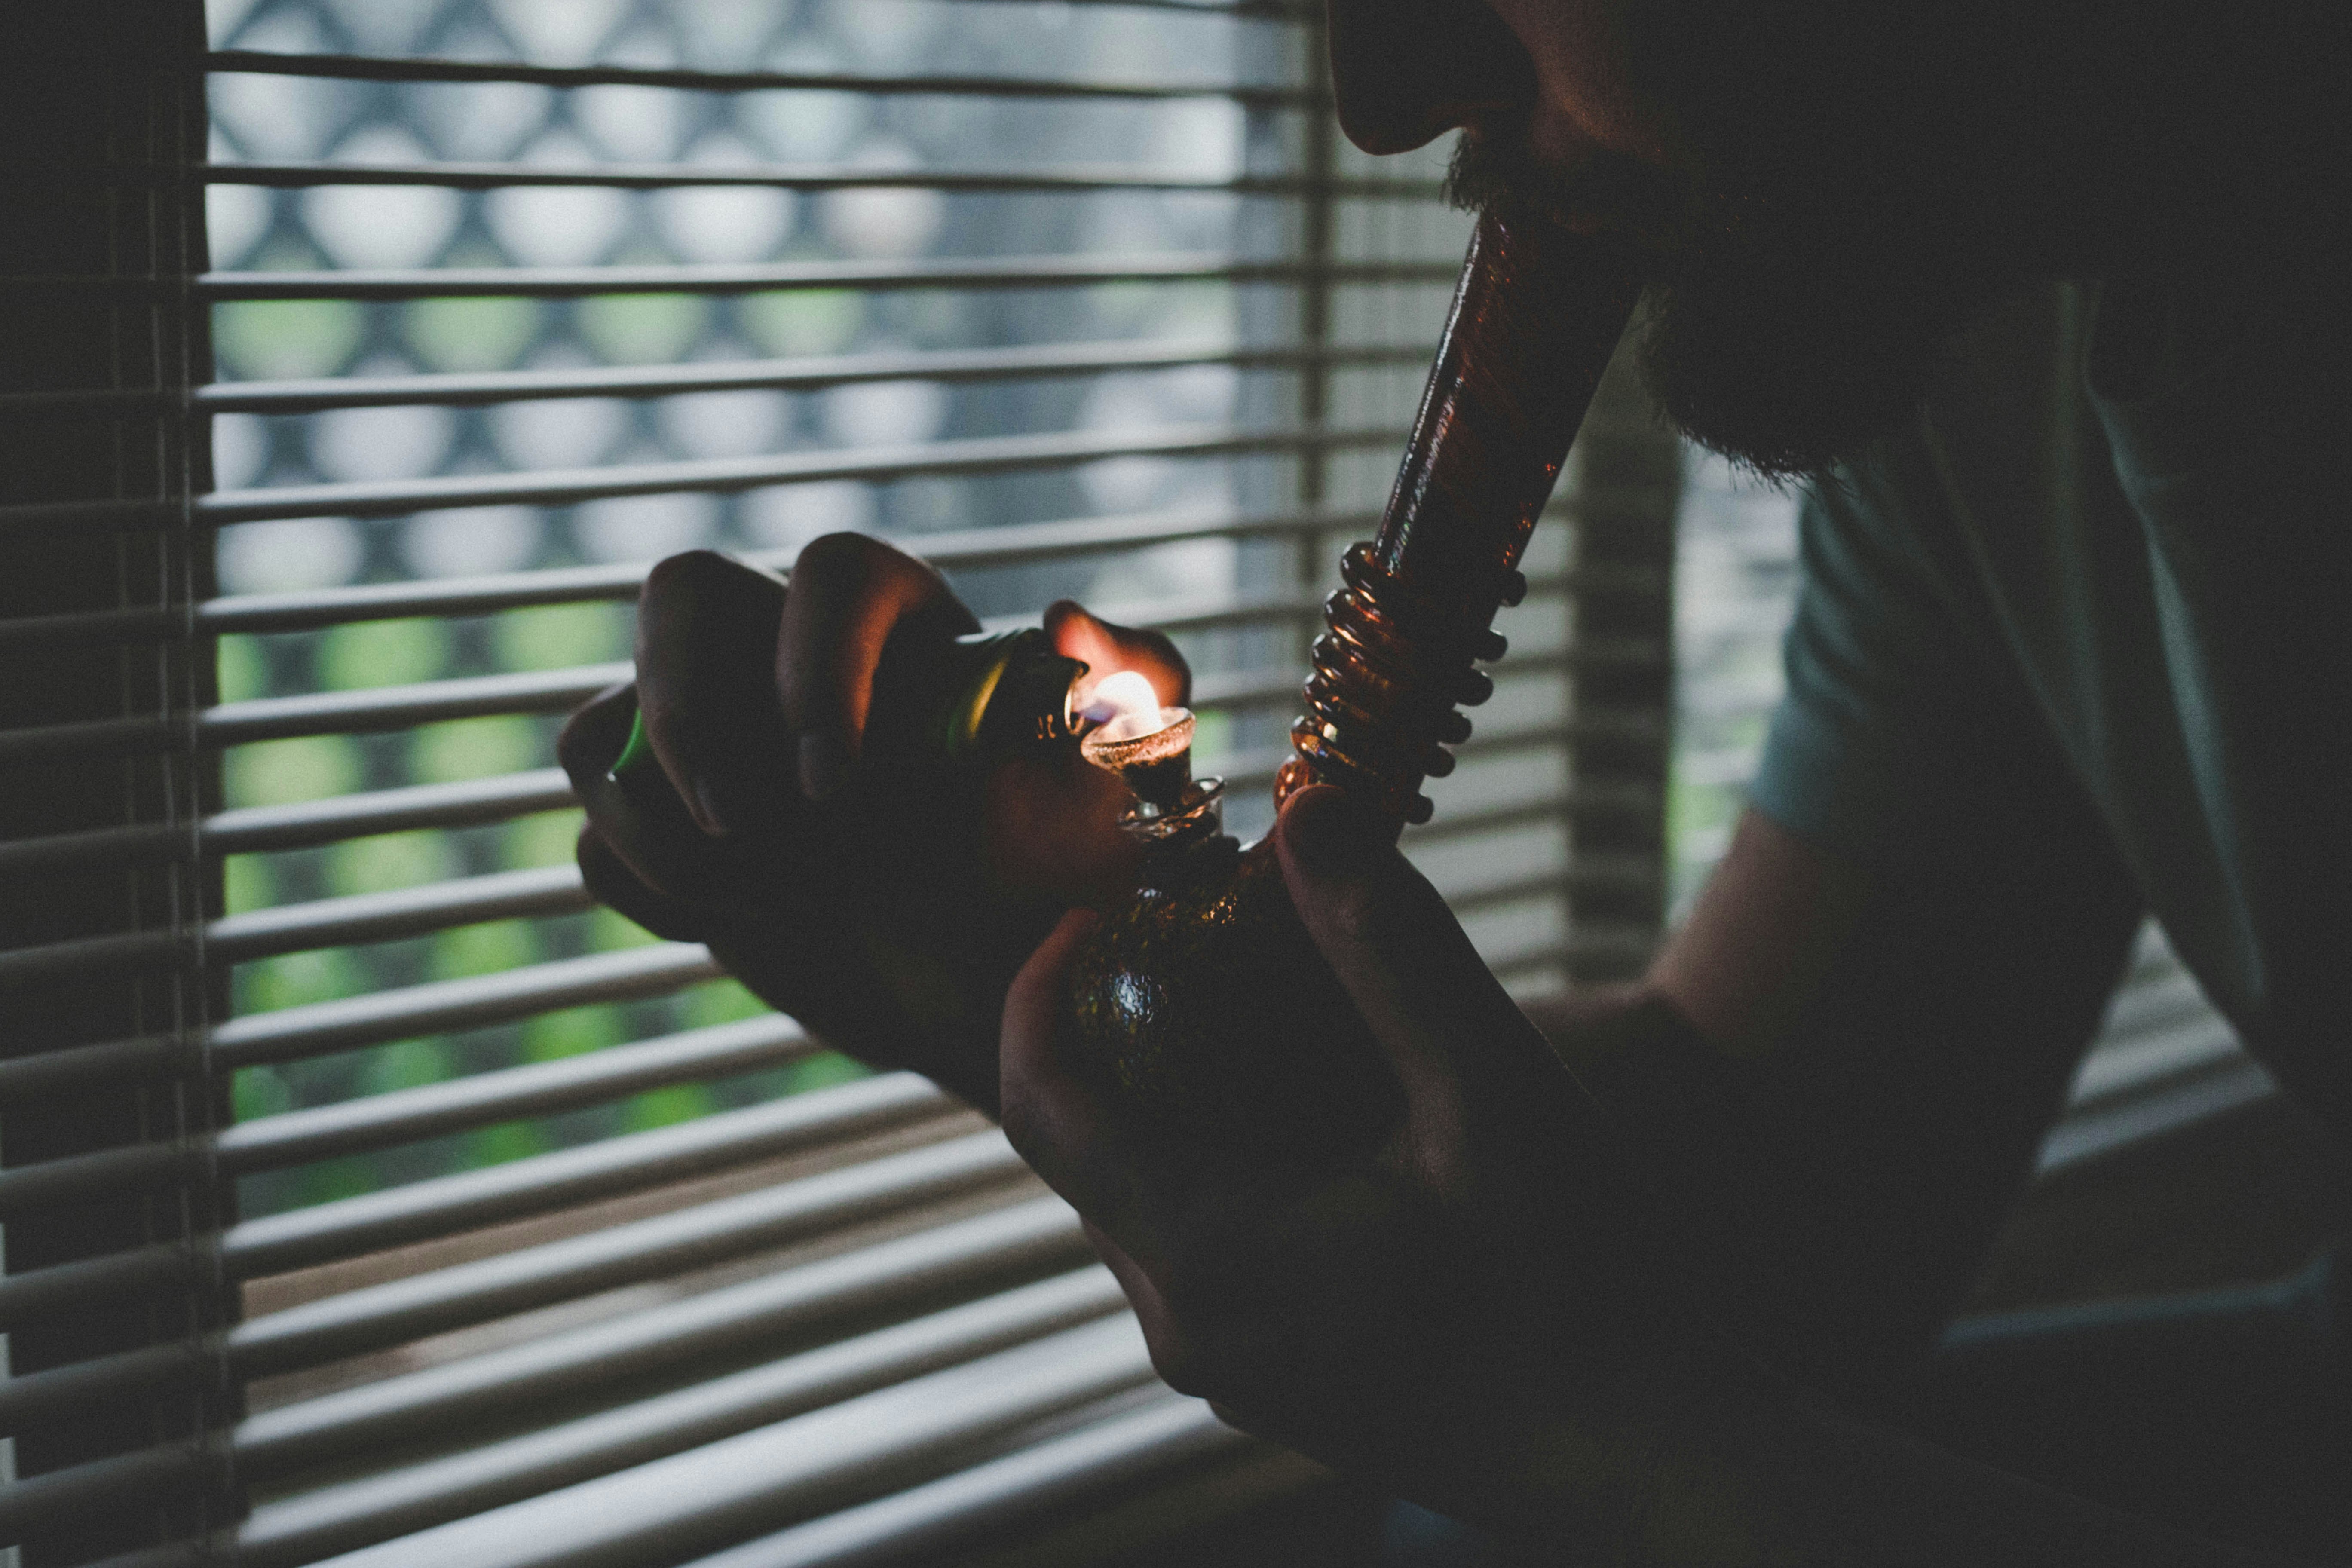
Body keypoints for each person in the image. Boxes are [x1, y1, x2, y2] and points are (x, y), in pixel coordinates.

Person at [561, 0, 2351, 1559]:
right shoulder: (1978, 315)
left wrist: (1641, 1467)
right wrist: (1057, 992)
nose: (1384, 89)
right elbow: (1805, 1174)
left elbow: (1674, 1371)